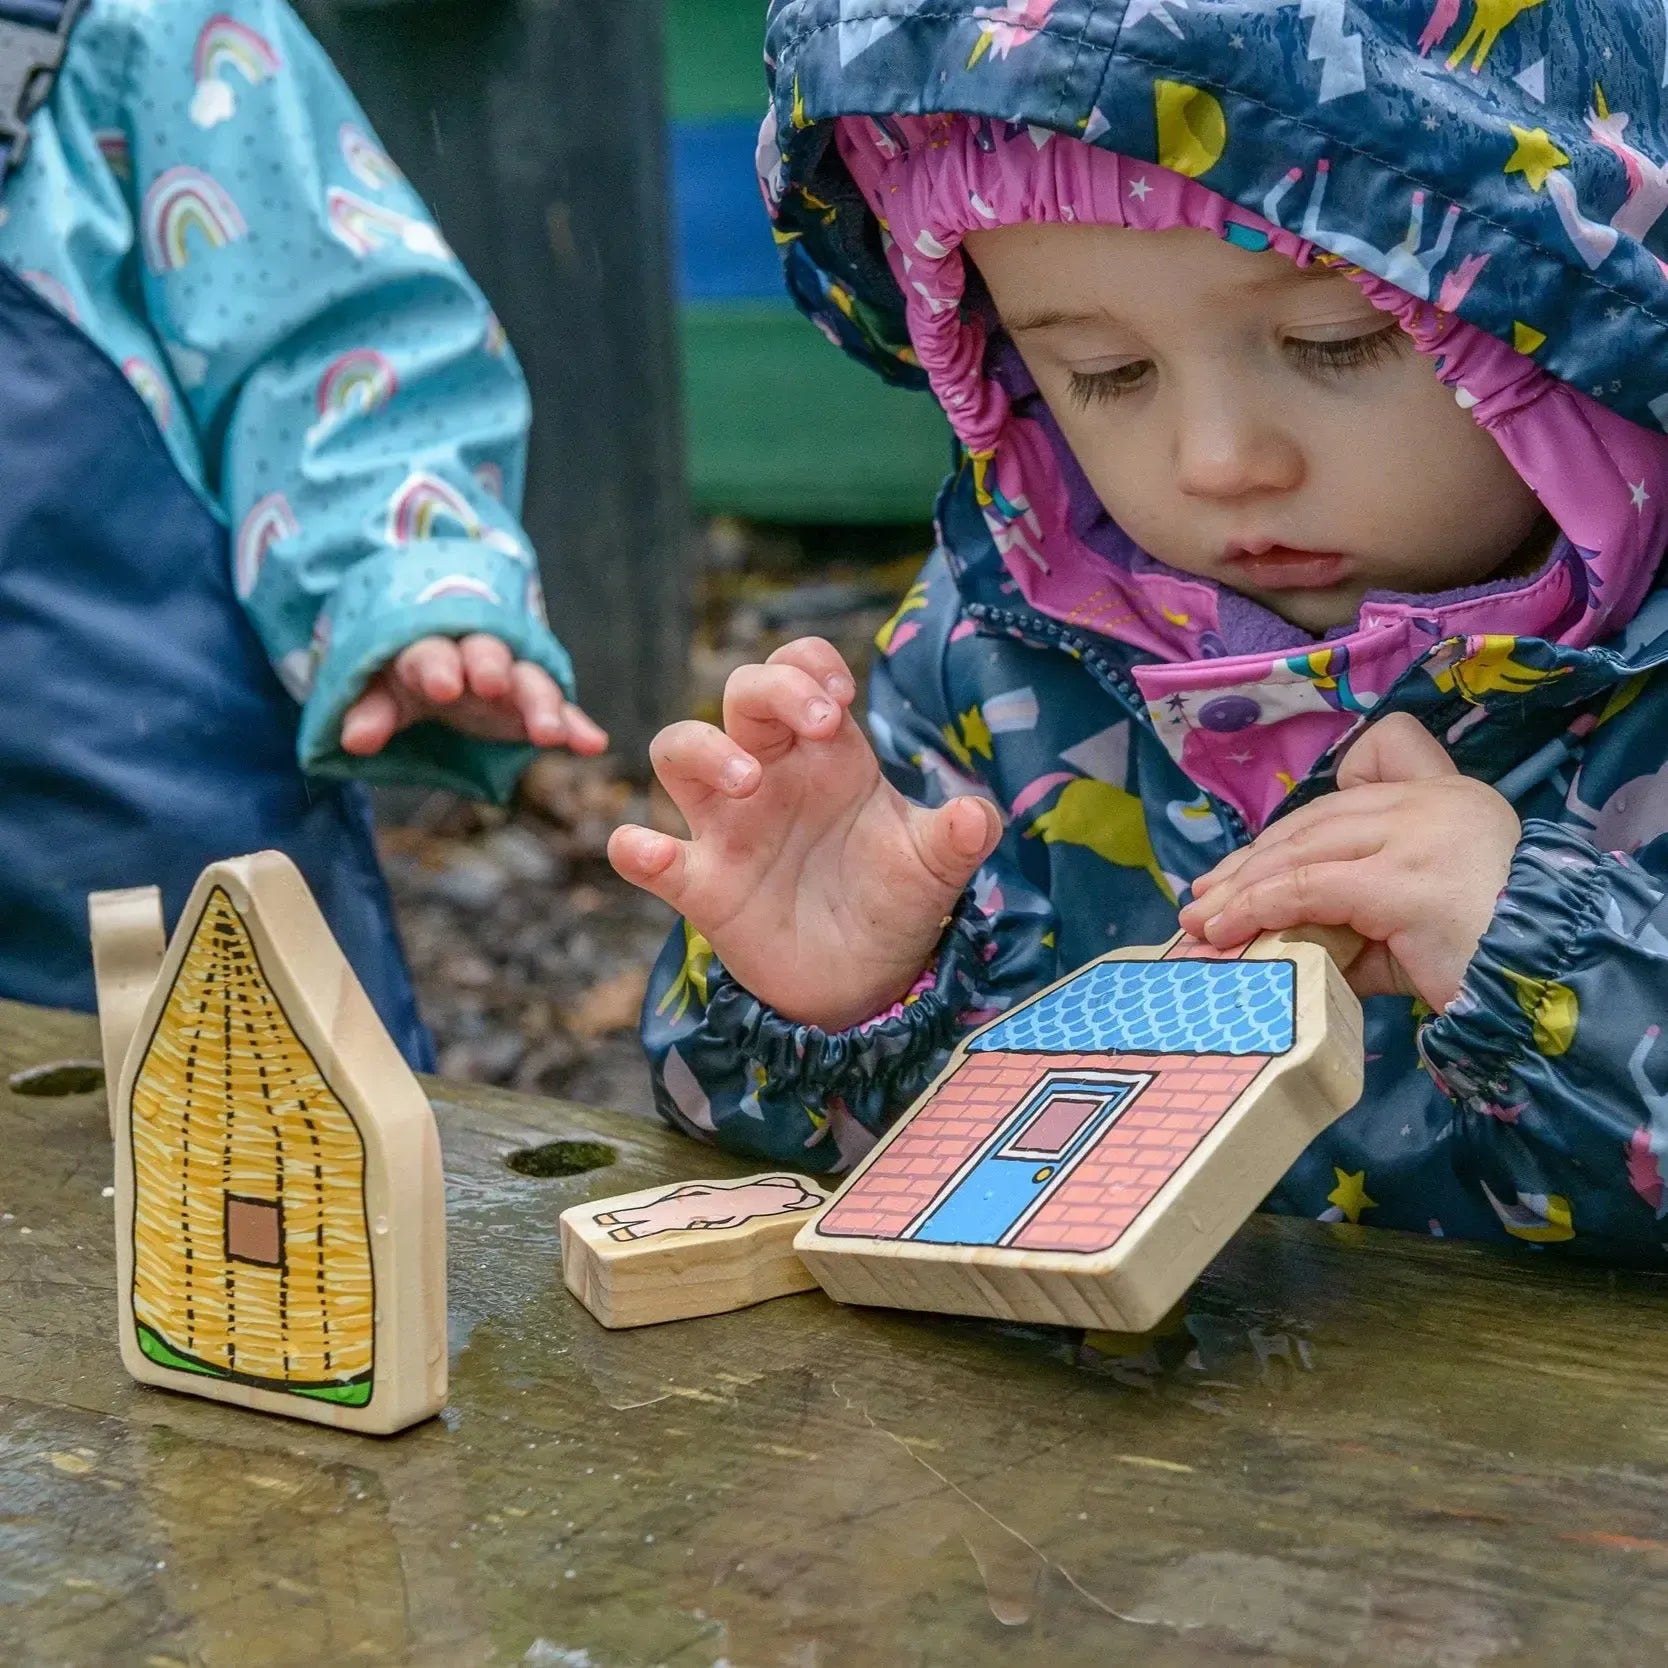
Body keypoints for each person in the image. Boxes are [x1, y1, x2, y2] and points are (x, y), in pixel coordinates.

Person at [614, 0, 1668, 1257]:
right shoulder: (996, 645)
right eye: (1105, 373)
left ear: (1587, 315)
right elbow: (798, 1174)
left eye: (1335, 342)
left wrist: (1554, 975)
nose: (1216, 460)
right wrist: (834, 1000)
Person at [0, 0, 605, 1066]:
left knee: (275, 1186)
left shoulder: (136, 31)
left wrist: (407, 579)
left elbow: (340, 359)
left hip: (154, 883)